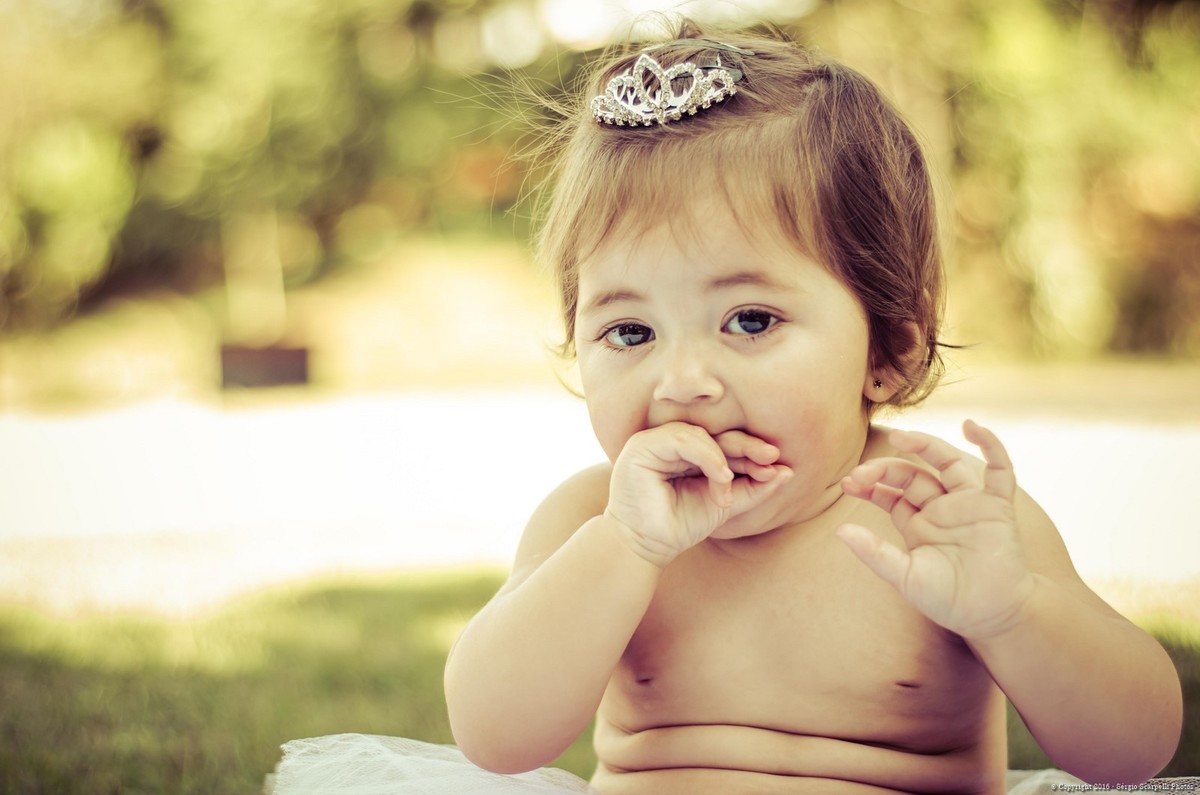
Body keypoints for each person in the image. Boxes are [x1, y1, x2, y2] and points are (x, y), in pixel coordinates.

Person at [270, 20, 1184, 795]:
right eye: (630, 331)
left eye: (749, 320)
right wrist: (625, 549)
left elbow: (1134, 752)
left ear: (889, 351)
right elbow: (494, 735)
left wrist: (1014, 611)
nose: (682, 380)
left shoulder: (947, 519)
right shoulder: (593, 521)